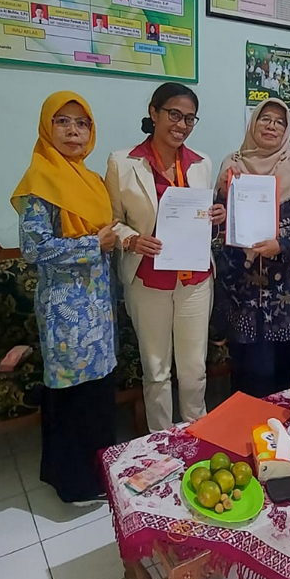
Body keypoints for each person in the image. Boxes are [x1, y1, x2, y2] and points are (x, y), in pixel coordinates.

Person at [9, 91, 117, 505]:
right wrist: (93, 244)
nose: (74, 131)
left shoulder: (90, 180)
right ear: (46, 127)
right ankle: (74, 485)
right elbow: (34, 248)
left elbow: (108, 233)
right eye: (63, 122)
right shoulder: (40, 181)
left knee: (96, 395)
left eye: (82, 123)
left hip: (99, 306)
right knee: (72, 397)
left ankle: (99, 475)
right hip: (65, 311)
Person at [105, 84, 226, 431]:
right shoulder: (122, 163)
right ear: (154, 113)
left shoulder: (201, 163)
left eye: (189, 118)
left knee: (194, 368)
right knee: (156, 369)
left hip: (195, 279)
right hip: (149, 279)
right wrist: (131, 239)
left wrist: (215, 217)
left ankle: (196, 432)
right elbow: (111, 220)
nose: (181, 125)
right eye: (174, 114)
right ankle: (160, 438)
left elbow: (201, 219)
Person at [214, 99, 290, 397]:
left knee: (286, 373)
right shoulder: (231, 164)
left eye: (280, 122)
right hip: (242, 290)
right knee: (248, 373)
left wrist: (280, 244)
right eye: (265, 119)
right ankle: (248, 423)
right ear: (253, 123)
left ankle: (284, 425)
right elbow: (216, 221)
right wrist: (221, 205)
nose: (272, 126)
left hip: (285, 290)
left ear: (287, 130)